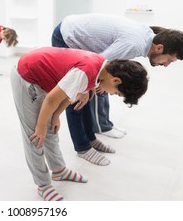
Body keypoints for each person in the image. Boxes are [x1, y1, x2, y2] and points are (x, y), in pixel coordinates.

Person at [10, 46, 148, 201]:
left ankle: (58, 170)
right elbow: (51, 100)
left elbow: (68, 93)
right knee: (35, 136)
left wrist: (56, 115)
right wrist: (41, 126)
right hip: (27, 76)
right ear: (116, 80)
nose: (111, 94)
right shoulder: (86, 72)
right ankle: (43, 185)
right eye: (116, 92)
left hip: (44, 78)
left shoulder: (102, 70)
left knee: (51, 129)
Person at [52, 13, 183, 165]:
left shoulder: (147, 38)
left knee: (88, 94)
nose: (167, 64)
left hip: (78, 33)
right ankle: (82, 147)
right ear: (159, 48)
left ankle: (90, 139)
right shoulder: (134, 45)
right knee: (75, 95)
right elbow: (96, 64)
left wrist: (92, 87)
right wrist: (84, 89)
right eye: (169, 60)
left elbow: (102, 64)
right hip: (67, 36)